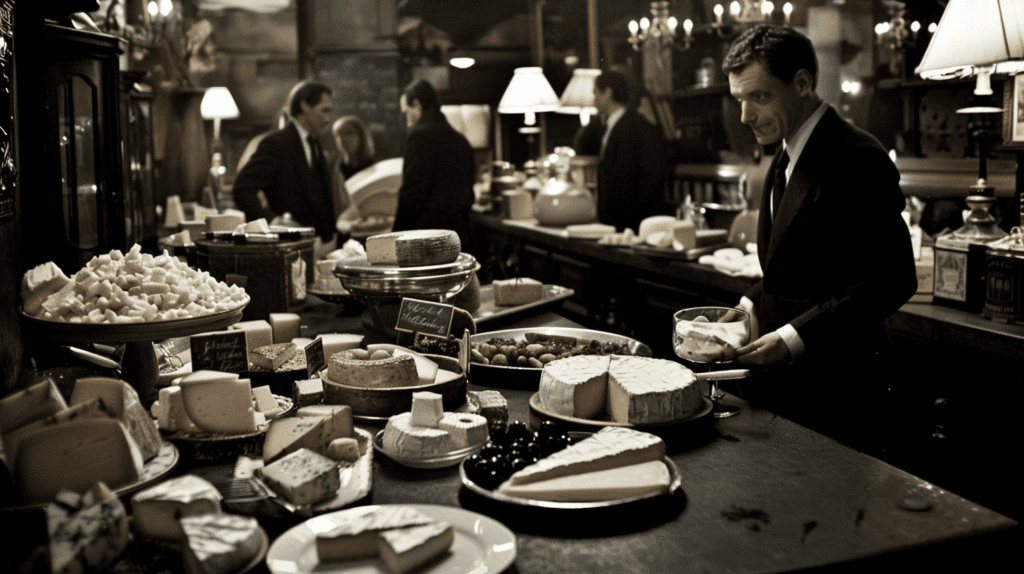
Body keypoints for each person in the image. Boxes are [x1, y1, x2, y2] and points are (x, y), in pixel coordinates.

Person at [722, 24, 917, 448]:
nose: (745, 116)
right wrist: (748, 305)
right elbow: (799, 265)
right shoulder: (786, 151)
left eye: (759, 97)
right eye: (740, 99)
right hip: (792, 394)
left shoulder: (857, 156)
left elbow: (892, 278)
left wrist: (795, 339)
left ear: (804, 83)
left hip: (843, 395)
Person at [232, 80, 346, 256]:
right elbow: (242, 188)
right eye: (324, 110)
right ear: (305, 106)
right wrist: (272, 221)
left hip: (319, 246)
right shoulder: (277, 143)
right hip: (288, 248)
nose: (328, 119)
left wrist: (332, 237)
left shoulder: (314, 142)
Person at [393, 79, 476, 250]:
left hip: (429, 240)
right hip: (461, 236)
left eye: (406, 112)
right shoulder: (461, 141)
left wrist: (395, 238)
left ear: (416, 104)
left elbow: (411, 194)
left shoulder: (419, 136)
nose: (407, 119)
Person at [592, 70, 670, 232]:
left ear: (608, 93)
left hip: (628, 221)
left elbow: (624, 178)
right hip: (620, 220)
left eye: (596, 93)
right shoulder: (616, 124)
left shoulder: (628, 126)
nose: (594, 99)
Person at [332, 115, 377, 180]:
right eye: (338, 134)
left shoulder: (375, 168)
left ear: (361, 136)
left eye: (349, 132)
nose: (343, 138)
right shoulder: (336, 171)